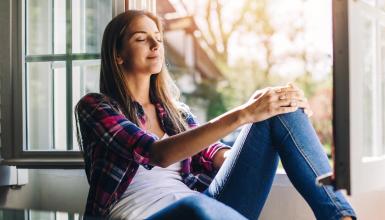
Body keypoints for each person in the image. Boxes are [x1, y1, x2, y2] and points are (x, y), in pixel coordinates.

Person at [75, 10, 357, 220]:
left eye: (158, 38)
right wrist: (244, 113)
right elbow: (155, 153)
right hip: (153, 214)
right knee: (194, 207)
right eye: (141, 38)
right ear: (118, 55)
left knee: (279, 107)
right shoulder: (96, 107)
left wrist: (263, 118)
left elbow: (212, 154)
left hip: (207, 207)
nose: (155, 44)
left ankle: (341, 217)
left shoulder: (176, 113)